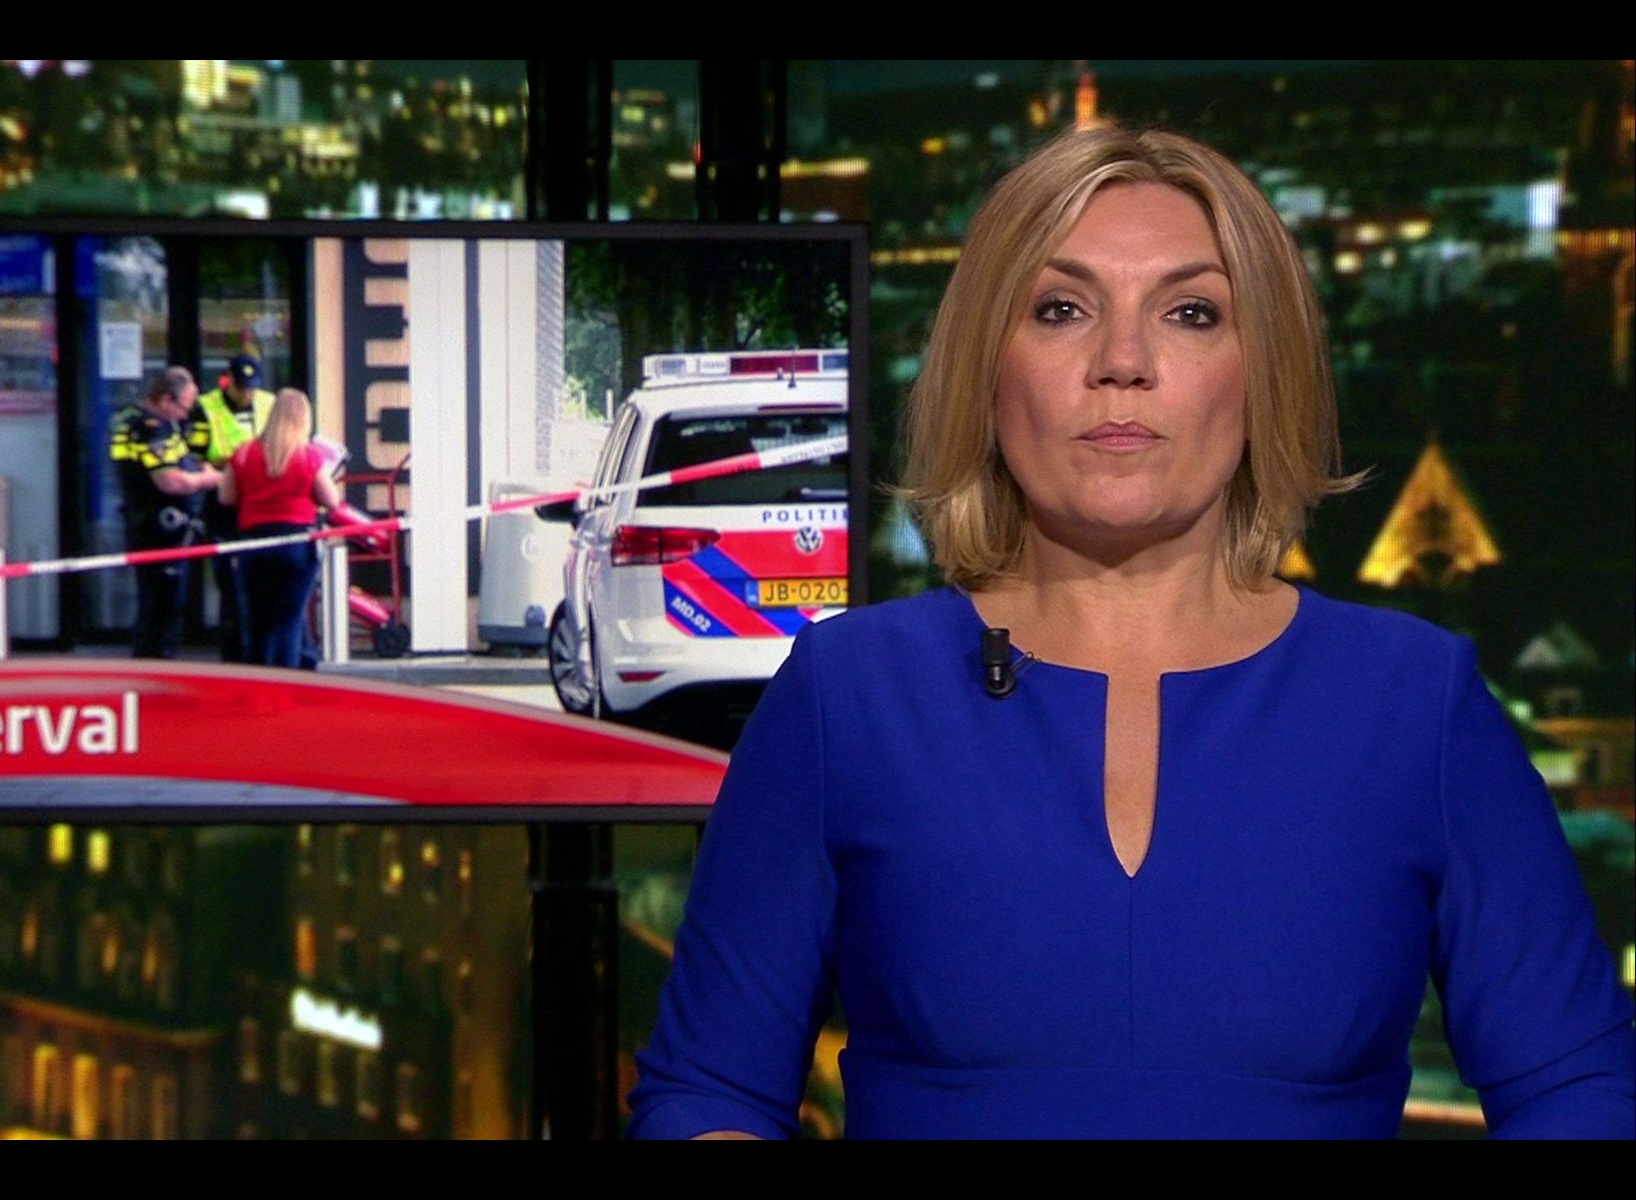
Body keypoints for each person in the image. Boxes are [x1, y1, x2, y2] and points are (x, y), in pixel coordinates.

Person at [625, 126, 1636, 1140]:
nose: (1121, 362)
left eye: (1191, 313)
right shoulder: (848, 692)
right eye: (1060, 310)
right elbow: (710, 1091)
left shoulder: (1415, 701)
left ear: (1264, 373)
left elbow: (1579, 1090)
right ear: (985, 367)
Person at [219, 388, 341, 668]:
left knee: (257, 621)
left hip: (254, 544)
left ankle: (259, 681)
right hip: (296, 543)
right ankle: (286, 682)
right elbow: (331, 500)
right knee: (289, 620)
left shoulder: (244, 453)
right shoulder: (308, 456)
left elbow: (226, 497)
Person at [110, 366, 222, 659]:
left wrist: (196, 468)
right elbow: (169, 481)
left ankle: (156, 664)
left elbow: (176, 463)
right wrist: (208, 480)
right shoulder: (150, 428)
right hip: (156, 531)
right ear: (165, 400)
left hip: (164, 529)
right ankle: (154, 668)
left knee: (165, 606)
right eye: (183, 407)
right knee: (161, 608)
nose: (186, 415)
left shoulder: (154, 422)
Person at [190, 354, 277, 663]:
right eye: (242, 388)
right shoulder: (206, 407)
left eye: (252, 388)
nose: (247, 394)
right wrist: (233, 464)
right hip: (224, 507)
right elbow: (195, 458)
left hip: (262, 504)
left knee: (263, 586)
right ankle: (235, 656)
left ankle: (260, 655)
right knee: (231, 587)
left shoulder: (269, 403)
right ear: (228, 380)